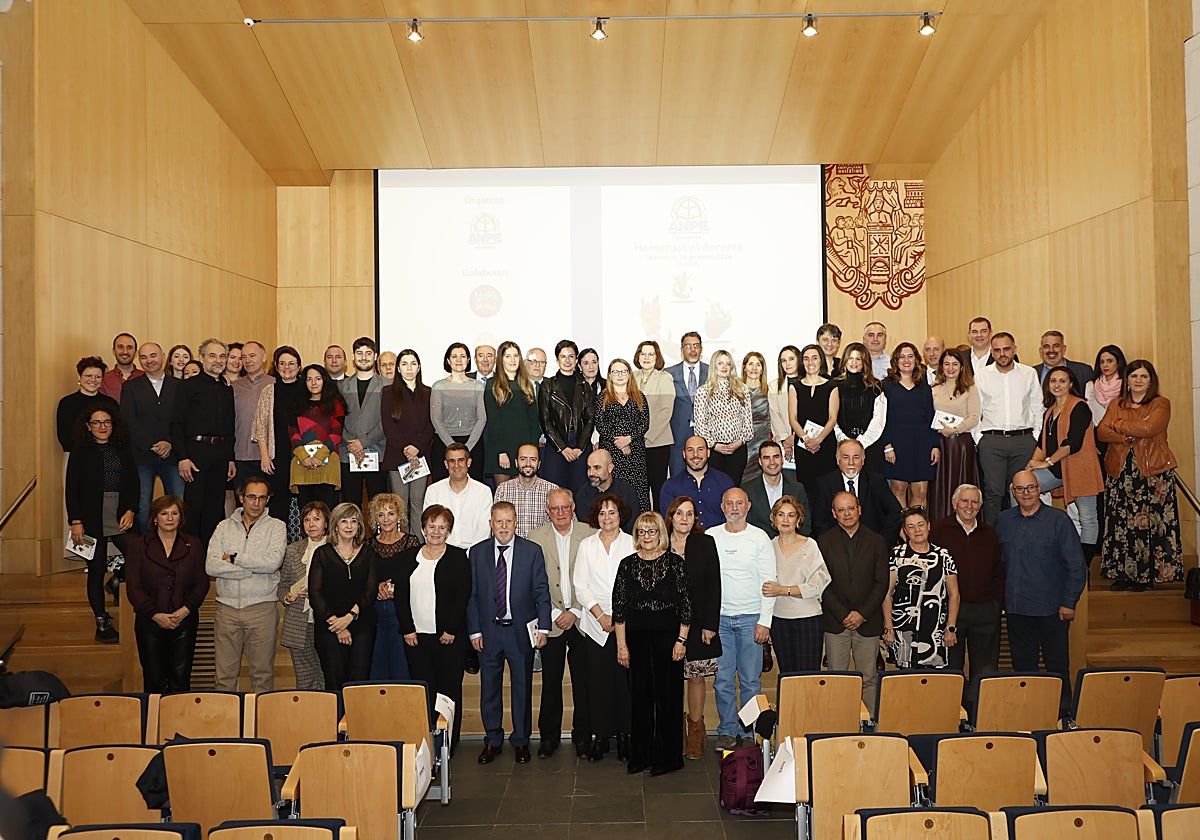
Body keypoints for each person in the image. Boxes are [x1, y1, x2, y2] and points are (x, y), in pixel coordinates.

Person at [995, 471, 1086, 715]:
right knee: (1023, 668)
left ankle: (1063, 716)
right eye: (1020, 489)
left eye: (1031, 488)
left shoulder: (1059, 520)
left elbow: (1076, 565)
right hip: (1016, 609)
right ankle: (1029, 713)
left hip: (1053, 609)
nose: (1026, 493)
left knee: (1057, 666)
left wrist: (1069, 602)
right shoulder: (1003, 521)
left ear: (1040, 490)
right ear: (1013, 492)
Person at [468, 501, 552, 765]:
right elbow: (472, 596)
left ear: (516, 523)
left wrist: (545, 627)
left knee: (522, 688)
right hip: (489, 632)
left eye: (508, 521)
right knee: (489, 689)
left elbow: (542, 592)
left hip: (520, 632)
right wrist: (474, 631)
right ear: (490, 523)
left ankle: (521, 741)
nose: (504, 527)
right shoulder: (477, 553)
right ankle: (492, 740)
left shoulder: (532, 551)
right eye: (498, 521)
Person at [613, 511, 692, 776]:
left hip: (669, 641)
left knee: (668, 699)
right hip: (636, 641)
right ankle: (641, 756)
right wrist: (621, 646)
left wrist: (681, 640)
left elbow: (686, 607)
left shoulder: (675, 564)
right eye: (642, 531)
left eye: (652, 531)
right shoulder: (626, 565)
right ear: (637, 535)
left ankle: (668, 758)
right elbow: (619, 609)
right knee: (640, 699)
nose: (647, 537)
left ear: (661, 533)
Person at [1098, 359, 1183, 590]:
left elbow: (1150, 428)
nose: (1138, 380)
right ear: (1127, 380)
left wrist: (1118, 423)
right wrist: (1125, 435)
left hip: (1152, 474)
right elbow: (1102, 432)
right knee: (1121, 525)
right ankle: (1123, 575)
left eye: (1143, 376)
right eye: (1134, 376)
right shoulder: (1116, 403)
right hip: (1120, 473)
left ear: (1150, 381)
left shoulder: (1160, 403)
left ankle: (1145, 577)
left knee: (1148, 525)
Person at [394, 504, 472, 752]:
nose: (436, 532)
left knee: (449, 693)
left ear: (448, 531)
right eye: (431, 526)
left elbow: (462, 597)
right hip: (416, 638)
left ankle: (449, 743)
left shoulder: (458, 557)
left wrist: (451, 629)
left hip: (448, 638)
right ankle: (426, 742)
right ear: (423, 528)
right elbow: (401, 597)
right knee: (423, 693)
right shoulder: (408, 558)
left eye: (442, 527)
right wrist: (407, 628)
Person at [527, 488, 597, 758]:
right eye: (554, 509)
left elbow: (594, 579)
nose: (560, 513)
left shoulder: (590, 534)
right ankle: (548, 737)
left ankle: (583, 736)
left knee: (583, 681)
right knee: (551, 681)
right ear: (547, 510)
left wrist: (576, 611)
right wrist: (556, 614)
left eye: (564, 507)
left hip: (582, 619)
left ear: (573, 507)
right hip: (551, 619)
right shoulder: (535, 538)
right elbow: (534, 583)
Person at [708, 487, 775, 751]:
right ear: (722, 507)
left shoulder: (760, 538)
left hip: (751, 619)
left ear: (748, 506)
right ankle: (726, 730)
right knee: (722, 680)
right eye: (729, 503)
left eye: (739, 503)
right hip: (720, 620)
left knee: (750, 680)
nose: (734, 507)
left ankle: (748, 731)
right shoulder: (711, 537)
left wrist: (765, 621)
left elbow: (769, 582)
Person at [206, 477, 287, 692]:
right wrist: (252, 568)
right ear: (241, 498)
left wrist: (234, 557)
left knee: (262, 676)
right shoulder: (223, 527)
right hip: (227, 610)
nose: (256, 503)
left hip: (262, 609)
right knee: (223, 677)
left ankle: (262, 725)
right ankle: (226, 725)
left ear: (267, 500)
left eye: (262, 498)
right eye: (251, 497)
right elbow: (211, 567)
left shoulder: (277, 527)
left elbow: (272, 564)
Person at [66, 407, 138, 643]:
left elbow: (133, 483)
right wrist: (76, 521)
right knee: (95, 571)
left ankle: (116, 581)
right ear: (88, 426)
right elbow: (72, 489)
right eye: (96, 423)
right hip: (89, 518)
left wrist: (130, 509)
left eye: (106, 422)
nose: (102, 426)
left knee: (139, 553)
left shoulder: (123, 449)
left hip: (118, 513)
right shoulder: (80, 451)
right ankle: (102, 623)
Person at [930, 484, 1004, 710]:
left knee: (985, 668)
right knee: (952, 668)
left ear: (980, 507)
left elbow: (998, 571)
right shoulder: (939, 529)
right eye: (965, 501)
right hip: (951, 613)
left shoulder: (989, 533)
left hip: (985, 610)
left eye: (974, 502)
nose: (969, 506)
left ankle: (977, 715)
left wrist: (997, 605)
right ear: (954, 504)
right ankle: (954, 715)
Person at [572, 494, 635, 761]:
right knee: (597, 684)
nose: (607, 518)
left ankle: (624, 735)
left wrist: (617, 617)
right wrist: (600, 616)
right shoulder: (587, 545)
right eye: (602, 513)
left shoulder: (632, 542)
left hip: (626, 625)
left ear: (621, 515)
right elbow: (581, 585)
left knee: (624, 684)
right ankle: (600, 736)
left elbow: (635, 582)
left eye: (612, 512)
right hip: (595, 625)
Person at [125, 494, 208, 693]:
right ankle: (154, 723)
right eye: (164, 513)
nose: (169, 518)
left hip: (184, 621)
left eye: (174, 513)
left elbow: (202, 582)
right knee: (154, 680)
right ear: (155, 518)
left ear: (181, 517)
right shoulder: (138, 546)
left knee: (181, 680)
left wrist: (185, 610)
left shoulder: (194, 544)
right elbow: (133, 588)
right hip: (150, 622)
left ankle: (179, 723)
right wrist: (155, 615)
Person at [817, 491, 890, 710]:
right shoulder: (822, 542)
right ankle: (839, 726)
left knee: (868, 678)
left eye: (850, 508)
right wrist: (843, 614)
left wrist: (861, 614)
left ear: (859, 510)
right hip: (835, 622)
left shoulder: (877, 541)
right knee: (837, 678)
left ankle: (868, 728)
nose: (847, 514)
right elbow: (822, 584)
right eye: (841, 510)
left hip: (867, 622)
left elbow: (881, 583)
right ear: (834, 513)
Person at [1028, 367, 1105, 561]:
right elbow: (1042, 443)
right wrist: (1029, 467)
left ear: (1070, 384)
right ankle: (1031, 538)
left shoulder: (1080, 406)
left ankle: (1084, 564)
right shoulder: (1050, 411)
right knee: (1021, 486)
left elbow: (1073, 442)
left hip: (1081, 468)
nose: (1057, 385)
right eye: (1053, 381)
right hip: (1057, 469)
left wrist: (1047, 462)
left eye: (1062, 381)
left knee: (1087, 517)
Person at [665, 496, 721, 760]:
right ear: (671, 517)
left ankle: (696, 731)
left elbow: (714, 586)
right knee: (669, 678)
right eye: (679, 513)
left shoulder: (705, 543)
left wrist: (711, 624)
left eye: (690, 514)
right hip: (665, 624)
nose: (684, 518)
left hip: (699, 625)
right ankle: (672, 733)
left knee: (696, 677)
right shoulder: (660, 542)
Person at [171, 338, 236, 542]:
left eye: (222, 356)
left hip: (221, 453)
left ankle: (211, 560)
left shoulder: (227, 389)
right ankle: (191, 561)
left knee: (215, 509)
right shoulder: (187, 386)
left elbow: (230, 426)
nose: (218, 360)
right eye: (212, 355)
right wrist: (182, 457)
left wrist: (230, 459)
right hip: (195, 453)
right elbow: (176, 423)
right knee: (194, 509)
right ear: (201, 358)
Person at [974, 331, 1043, 524]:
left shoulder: (1029, 373)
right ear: (992, 352)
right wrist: (980, 438)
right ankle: (994, 543)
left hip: (1023, 441)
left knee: (1022, 492)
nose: (1002, 353)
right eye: (996, 350)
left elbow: (1038, 407)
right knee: (993, 492)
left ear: (1014, 349)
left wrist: (1035, 436)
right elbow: (975, 410)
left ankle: (1022, 537)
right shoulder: (981, 376)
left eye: (1006, 349)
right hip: (991, 442)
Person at [309, 502, 378, 690]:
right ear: (335, 526)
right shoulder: (322, 553)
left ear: (359, 527)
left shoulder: (368, 552)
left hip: (362, 626)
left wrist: (350, 617)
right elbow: (315, 593)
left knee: (359, 684)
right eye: (344, 521)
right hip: (329, 627)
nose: (349, 526)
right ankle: (336, 719)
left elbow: (370, 591)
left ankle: (356, 721)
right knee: (334, 681)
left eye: (354, 521)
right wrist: (337, 625)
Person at [883, 507, 959, 669]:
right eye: (911, 526)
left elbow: (954, 595)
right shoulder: (896, 555)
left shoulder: (944, 556)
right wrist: (888, 627)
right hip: (903, 631)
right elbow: (887, 594)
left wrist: (950, 627)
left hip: (935, 632)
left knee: (934, 685)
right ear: (904, 530)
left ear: (929, 526)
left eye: (920, 524)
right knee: (906, 683)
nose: (917, 530)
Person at [761, 495, 830, 672]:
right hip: (779, 620)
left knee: (808, 677)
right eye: (781, 514)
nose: (785, 520)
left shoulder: (810, 545)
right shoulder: (767, 547)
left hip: (808, 619)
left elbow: (817, 586)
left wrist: (782, 590)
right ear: (774, 518)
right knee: (787, 675)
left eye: (791, 515)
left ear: (798, 519)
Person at [121, 343, 185, 534]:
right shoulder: (130, 387)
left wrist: (169, 442)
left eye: (153, 355)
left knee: (178, 503)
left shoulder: (179, 386)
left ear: (163, 356)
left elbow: (183, 419)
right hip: (142, 456)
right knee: (142, 505)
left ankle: (177, 549)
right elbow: (127, 420)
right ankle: (146, 549)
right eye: (144, 357)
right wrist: (151, 445)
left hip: (173, 456)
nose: (149, 360)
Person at [367, 493, 422, 680]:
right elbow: (364, 579)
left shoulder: (412, 543)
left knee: (402, 665)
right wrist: (376, 587)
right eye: (381, 515)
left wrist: (396, 589)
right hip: (375, 614)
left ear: (399, 516)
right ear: (375, 519)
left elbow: (416, 578)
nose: (386, 519)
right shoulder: (369, 545)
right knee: (378, 663)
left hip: (403, 613)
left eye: (391, 513)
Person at [880, 342, 940, 509]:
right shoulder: (885, 386)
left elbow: (931, 417)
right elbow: (881, 420)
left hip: (921, 443)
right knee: (898, 489)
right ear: (895, 361)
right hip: (896, 443)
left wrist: (935, 445)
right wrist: (887, 446)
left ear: (916, 360)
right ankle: (902, 533)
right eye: (902, 356)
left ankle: (916, 531)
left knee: (920, 491)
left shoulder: (925, 387)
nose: (906, 360)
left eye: (910, 356)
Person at [278, 500, 330, 691]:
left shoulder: (336, 548)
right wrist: (287, 597)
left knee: (327, 675)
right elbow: (282, 586)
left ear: (326, 522)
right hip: (299, 622)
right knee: (305, 678)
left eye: (316, 519)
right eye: (306, 520)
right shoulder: (293, 550)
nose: (311, 524)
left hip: (328, 620)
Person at [380, 350, 433, 534]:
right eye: (404, 364)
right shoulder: (388, 393)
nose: (409, 368)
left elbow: (430, 425)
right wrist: (406, 449)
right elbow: (388, 426)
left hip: (420, 457)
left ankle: (418, 544)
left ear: (418, 367)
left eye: (413, 363)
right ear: (398, 368)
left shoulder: (428, 392)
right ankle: (402, 544)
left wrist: (417, 449)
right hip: (397, 456)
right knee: (400, 505)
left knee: (418, 504)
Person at [253, 346, 303, 533]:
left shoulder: (307, 389)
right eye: (282, 363)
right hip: (277, 457)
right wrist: (265, 457)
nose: (287, 367)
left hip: (303, 457)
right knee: (279, 505)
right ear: (276, 365)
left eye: (291, 363)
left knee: (304, 505)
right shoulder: (269, 391)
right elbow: (260, 426)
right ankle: (277, 551)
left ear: (299, 366)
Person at [813, 439, 903, 541]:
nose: (851, 463)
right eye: (846, 457)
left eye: (856, 457)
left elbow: (895, 512)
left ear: (863, 460)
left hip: (871, 544)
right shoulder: (825, 483)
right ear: (838, 460)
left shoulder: (876, 481)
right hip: (837, 546)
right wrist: (832, 546)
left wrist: (882, 543)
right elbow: (819, 522)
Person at [594, 358, 651, 513]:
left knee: (638, 493)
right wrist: (619, 443)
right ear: (610, 376)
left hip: (635, 453)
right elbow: (600, 424)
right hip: (612, 454)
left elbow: (644, 423)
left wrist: (629, 440)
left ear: (629, 374)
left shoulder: (639, 396)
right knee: (614, 495)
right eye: (615, 372)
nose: (620, 375)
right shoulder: (602, 398)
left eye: (623, 371)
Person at [929, 347, 980, 519]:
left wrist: (955, 430)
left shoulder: (970, 388)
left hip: (961, 445)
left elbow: (974, 417)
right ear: (941, 367)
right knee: (939, 486)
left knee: (960, 484)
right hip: (939, 445)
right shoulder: (933, 389)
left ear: (961, 366)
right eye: (946, 364)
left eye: (955, 364)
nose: (950, 368)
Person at [289, 364, 347, 513]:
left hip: (327, 464)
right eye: (309, 379)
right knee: (306, 514)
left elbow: (336, 433)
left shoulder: (335, 404)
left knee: (327, 514)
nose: (313, 383)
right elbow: (293, 432)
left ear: (325, 380)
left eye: (317, 378)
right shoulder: (297, 403)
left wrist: (320, 457)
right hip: (303, 464)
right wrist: (304, 457)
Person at [538, 340, 594, 490]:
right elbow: (545, 420)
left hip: (580, 447)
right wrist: (562, 448)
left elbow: (590, 419)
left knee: (581, 492)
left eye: (571, 356)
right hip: (556, 447)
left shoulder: (585, 386)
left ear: (576, 360)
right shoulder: (548, 385)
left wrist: (580, 447)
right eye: (563, 356)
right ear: (557, 360)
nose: (567, 360)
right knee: (554, 493)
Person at [339, 337, 388, 505]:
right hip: (348, 453)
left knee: (378, 505)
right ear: (353, 357)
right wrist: (352, 443)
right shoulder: (342, 386)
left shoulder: (387, 385)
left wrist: (364, 442)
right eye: (359, 353)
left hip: (378, 452)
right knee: (351, 504)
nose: (364, 357)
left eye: (368, 353)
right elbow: (337, 421)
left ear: (375, 356)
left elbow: (387, 420)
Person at [484, 340, 541, 484]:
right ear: (501, 360)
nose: (513, 360)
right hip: (501, 450)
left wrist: (531, 451)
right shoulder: (493, 384)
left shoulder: (526, 384)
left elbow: (534, 422)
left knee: (522, 497)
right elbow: (494, 422)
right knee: (503, 500)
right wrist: (501, 451)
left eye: (516, 356)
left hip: (524, 450)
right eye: (508, 356)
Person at [693, 349, 753, 484]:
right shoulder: (703, 392)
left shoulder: (742, 389)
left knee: (734, 488)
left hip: (738, 450)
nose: (724, 367)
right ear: (714, 366)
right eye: (720, 363)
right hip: (714, 451)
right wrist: (714, 445)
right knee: (715, 489)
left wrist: (739, 442)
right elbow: (700, 424)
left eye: (728, 363)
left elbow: (748, 423)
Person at [430, 341, 486, 483]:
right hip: (444, 443)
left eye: (463, 356)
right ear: (448, 360)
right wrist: (452, 447)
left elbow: (482, 418)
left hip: (472, 444)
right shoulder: (438, 386)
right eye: (454, 356)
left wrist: (466, 448)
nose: (459, 360)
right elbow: (436, 419)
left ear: (468, 360)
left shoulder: (477, 386)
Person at [789, 344, 840, 502]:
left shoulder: (832, 386)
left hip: (825, 443)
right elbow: (793, 418)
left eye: (814, 358)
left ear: (821, 361)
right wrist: (806, 439)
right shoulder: (795, 387)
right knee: (806, 490)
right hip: (803, 445)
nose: (810, 362)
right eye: (806, 358)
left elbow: (832, 418)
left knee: (827, 490)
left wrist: (818, 440)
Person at [424, 442, 494, 550]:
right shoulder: (433, 491)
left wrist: (471, 554)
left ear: (469, 462)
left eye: (461, 460)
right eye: (452, 461)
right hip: (441, 552)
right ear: (446, 464)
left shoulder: (483, 491)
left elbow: (484, 530)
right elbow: (427, 525)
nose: (456, 465)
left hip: (473, 553)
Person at [833, 342, 887, 474]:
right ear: (844, 360)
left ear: (865, 362)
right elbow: (831, 418)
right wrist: (844, 441)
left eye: (858, 359)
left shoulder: (876, 387)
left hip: (870, 447)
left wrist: (861, 443)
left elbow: (878, 421)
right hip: (841, 446)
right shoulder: (834, 385)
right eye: (850, 358)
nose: (854, 362)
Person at [659, 436, 735, 529]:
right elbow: (667, 522)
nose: (695, 454)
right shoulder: (670, 486)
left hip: (719, 540)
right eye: (690, 450)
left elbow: (734, 518)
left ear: (708, 453)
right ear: (684, 454)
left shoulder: (725, 482)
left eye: (700, 449)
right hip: (685, 541)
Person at [634, 340, 675, 506]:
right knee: (639, 487)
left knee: (658, 488)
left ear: (657, 357)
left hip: (657, 442)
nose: (646, 357)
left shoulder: (665, 378)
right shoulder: (631, 377)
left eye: (651, 354)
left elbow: (666, 412)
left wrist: (646, 435)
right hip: (635, 443)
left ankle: (659, 525)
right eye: (643, 353)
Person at [743, 440, 812, 537]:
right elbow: (744, 525)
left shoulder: (797, 489)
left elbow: (805, 524)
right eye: (766, 458)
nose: (772, 462)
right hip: (758, 548)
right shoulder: (747, 490)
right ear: (760, 461)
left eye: (776, 457)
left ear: (782, 459)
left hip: (791, 547)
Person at [230, 341, 273, 486]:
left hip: (269, 455)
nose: (248, 360)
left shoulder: (275, 384)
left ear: (264, 357)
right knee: (242, 500)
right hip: (241, 454)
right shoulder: (234, 387)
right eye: (244, 357)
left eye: (252, 355)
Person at [58, 357, 120, 455]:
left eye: (98, 377)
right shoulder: (67, 403)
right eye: (88, 376)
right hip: (76, 456)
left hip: (107, 454)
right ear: (79, 377)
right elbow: (65, 438)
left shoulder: (110, 403)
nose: (93, 380)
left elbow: (117, 433)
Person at [665, 332, 708, 477]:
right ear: (682, 349)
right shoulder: (668, 374)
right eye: (688, 346)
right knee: (678, 479)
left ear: (701, 349)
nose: (692, 350)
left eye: (696, 345)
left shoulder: (711, 372)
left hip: (707, 435)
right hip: (678, 436)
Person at [495, 443, 558, 537]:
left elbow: (568, 524)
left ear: (539, 464)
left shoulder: (552, 490)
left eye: (533, 459)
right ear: (516, 463)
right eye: (523, 459)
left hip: (542, 548)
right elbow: (496, 524)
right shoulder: (503, 489)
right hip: (513, 549)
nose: (528, 464)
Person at [575, 448, 641, 535]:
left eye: (597, 468)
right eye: (589, 468)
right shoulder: (583, 495)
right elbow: (586, 528)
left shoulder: (626, 490)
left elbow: (632, 525)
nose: (591, 473)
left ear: (610, 468)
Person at [741, 351, 772, 482]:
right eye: (750, 364)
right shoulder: (737, 391)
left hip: (762, 443)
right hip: (742, 444)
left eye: (758, 365)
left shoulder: (769, 391)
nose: (754, 368)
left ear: (762, 369)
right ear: (744, 367)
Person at [768, 345, 802, 463]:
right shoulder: (774, 386)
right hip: (784, 443)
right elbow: (775, 415)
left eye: (791, 359)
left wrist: (797, 436)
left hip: (806, 439)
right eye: (784, 360)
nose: (787, 363)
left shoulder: (808, 382)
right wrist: (785, 441)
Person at [1086, 345, 1126, 427]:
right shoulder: (1091, 385)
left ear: (1118, 363)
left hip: (1119, 430)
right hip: (1095, 430)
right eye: (1102, 362)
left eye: (1109, 361)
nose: (1105, 365)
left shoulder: (1126, 385)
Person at [100, 332, 144, 401]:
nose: (125, 352)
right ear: (114, 351)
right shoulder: (103, 380)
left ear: (136, 353)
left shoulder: (146, 378)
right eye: (120, 347)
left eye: (129, 347)